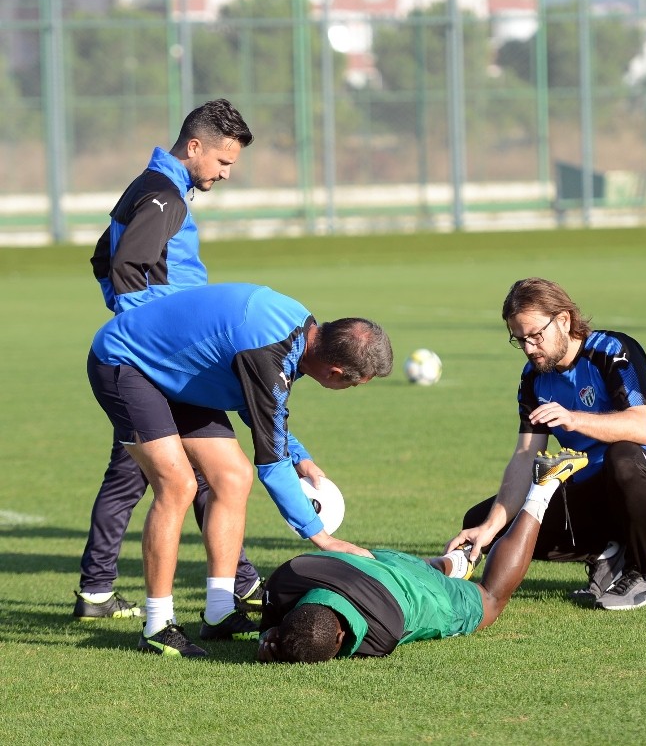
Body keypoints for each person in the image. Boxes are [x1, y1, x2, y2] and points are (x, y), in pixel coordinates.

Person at [87, 282, 393, 656]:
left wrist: (300, 455)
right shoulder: (267, 351)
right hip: (126, 363)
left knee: (233, 477)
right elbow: (271, 461)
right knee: (178, 486)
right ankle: (157, 626)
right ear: (334, 372)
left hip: (179, 376)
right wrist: (321, 537)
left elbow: (261, 407)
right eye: (355, 384)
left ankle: (219, 612)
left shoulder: (299, 330)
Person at [76, 99, 262, 622]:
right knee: (190, 475)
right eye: (223, 162)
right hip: (162, 360)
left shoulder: (152, 186)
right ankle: (234, 586)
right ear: (195, 146)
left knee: (148, 475)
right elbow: (125, 263)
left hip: (151, 354)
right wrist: (146, 333)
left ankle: (97, 589)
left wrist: (126, 315)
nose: (225, 174)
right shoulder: (164, 196)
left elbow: (101, 256)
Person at [446, 278, 646, 611]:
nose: (530, 348)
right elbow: (524, 457)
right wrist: (489, 527)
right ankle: (607, 553)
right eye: (520, 340)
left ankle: (641, 576)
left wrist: (574, 419)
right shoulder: (533, 379)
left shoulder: (613, 352)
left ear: (563, 319)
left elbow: (643, 428)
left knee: (623, 455)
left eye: (535, 336)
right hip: (594, 495)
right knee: (484, 519)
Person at [256, 448, 587, 662]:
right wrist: (275, 635)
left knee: (490, 600)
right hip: (374, 562)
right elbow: (275, 623)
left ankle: (543, 489)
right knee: (413, 570)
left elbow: (303, 641)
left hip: (415, 598)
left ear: (342, 636)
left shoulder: (382, 634)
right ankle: (459, 561)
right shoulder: (288, 576)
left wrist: (273, 648)